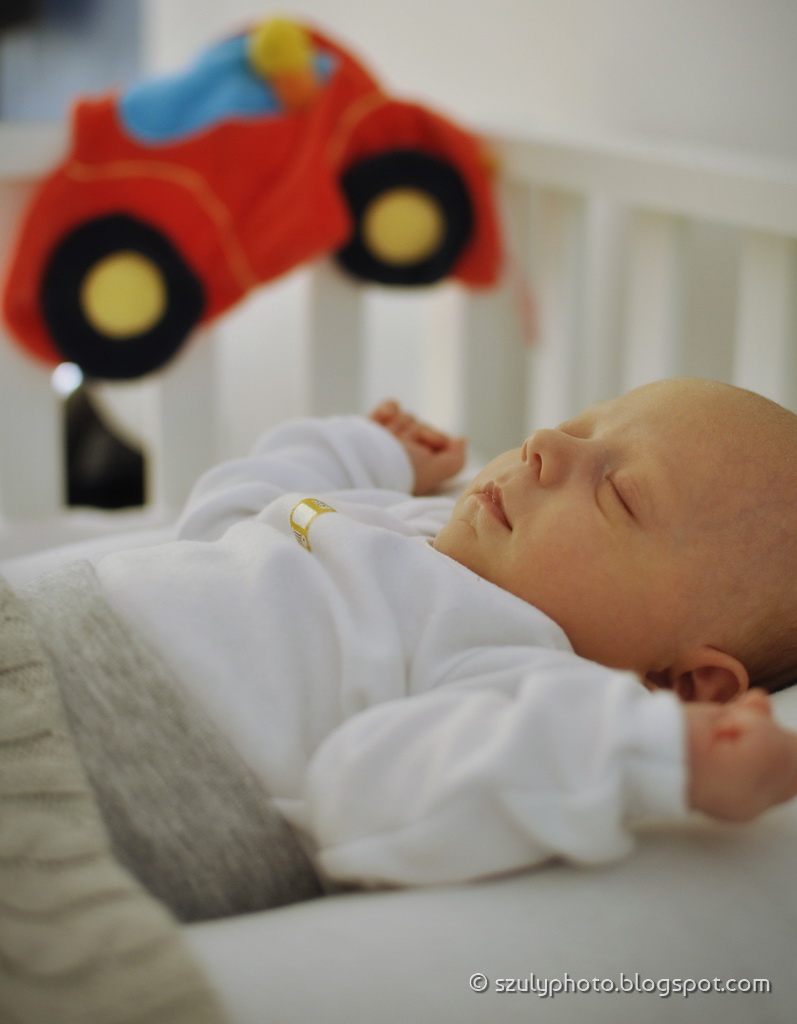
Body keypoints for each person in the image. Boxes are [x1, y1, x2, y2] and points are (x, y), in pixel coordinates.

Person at [18, 378, 797, 904]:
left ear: (687, 685)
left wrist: (654, 751)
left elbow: (369, 792)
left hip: (80, 783)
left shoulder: (524, 672)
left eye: (618, 493)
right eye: (577, 427)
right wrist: (360, 450)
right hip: (34, 638)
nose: (542, 447)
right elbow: (228, 517)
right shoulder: (420, 521)